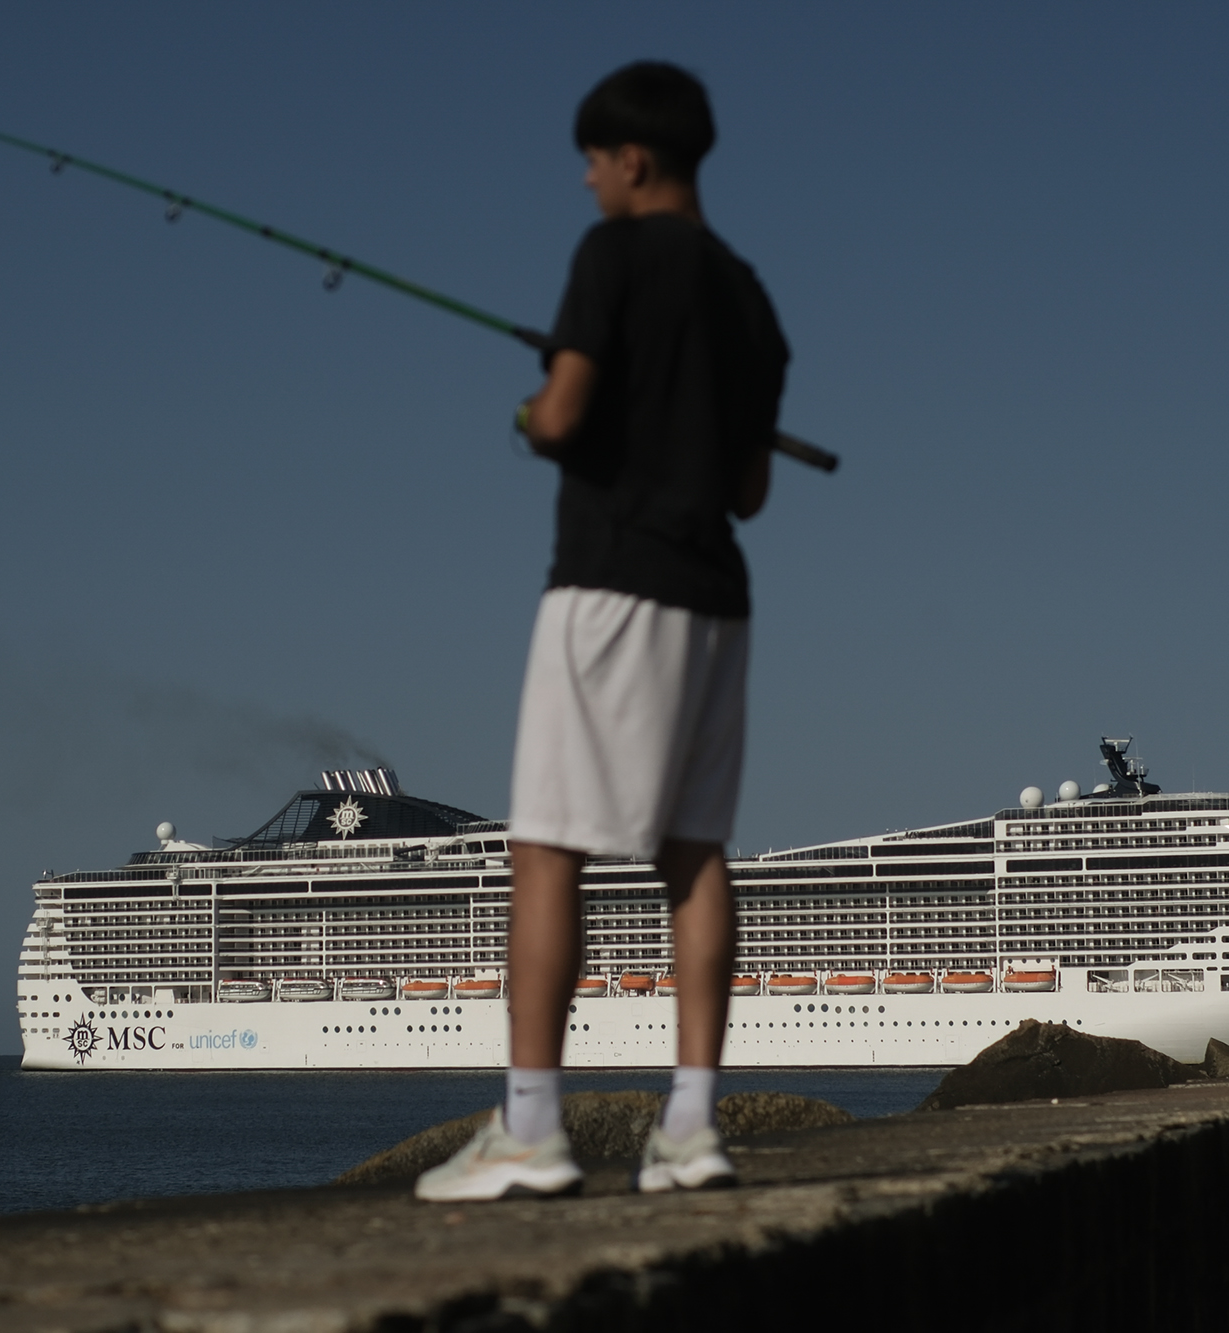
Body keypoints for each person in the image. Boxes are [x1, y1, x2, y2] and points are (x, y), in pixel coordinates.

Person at [416, 62, 788, 1203]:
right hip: (716, 595)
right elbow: (748, 491)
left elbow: (564, 412)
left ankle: (529, 1128)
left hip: (610, 580)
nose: (584, 181)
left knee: (546, 846)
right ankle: (691, 1128)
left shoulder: (612, 256)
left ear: (633, 158)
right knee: (695, 854)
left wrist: (534, 415)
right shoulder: (751, 298)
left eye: (590, 161)